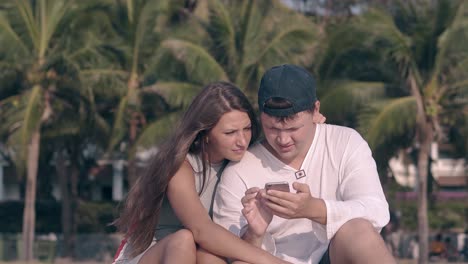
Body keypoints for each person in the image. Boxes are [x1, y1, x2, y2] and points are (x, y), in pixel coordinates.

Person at [112, 81, 325, 264]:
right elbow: (202, 231)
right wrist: (275, 262)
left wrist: (310, 122)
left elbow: (282, 138)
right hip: (151, 256)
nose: (242, 140)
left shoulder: (236, 160)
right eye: (230, 132)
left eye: (247, 128)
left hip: (198, 253)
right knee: (185, 239)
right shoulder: (181, 168)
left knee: (211, 255)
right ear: (205, 133)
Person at [213, 64, 396, 264]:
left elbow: (376, 210)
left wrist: (315, 209)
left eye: (293, 128)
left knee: (359, 230)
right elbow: (226, 250)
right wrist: (254, 234)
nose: (283, 140)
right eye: (272, 128)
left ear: (315, 110)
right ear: (260, 116)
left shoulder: (345, 142)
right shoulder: (239, 170)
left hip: (334, 256)